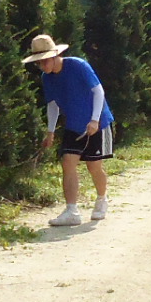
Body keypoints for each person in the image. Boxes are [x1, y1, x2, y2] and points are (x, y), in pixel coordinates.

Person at [22, 33, 115, 226]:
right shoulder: (47, 78)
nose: (43, 66)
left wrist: (95, 120)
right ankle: (72, 210)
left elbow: (98, 91)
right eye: (39, 63)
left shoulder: (78, 66)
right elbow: (53, 105)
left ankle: (101, 199)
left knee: (94, 166)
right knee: (67, 162)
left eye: (45, 61)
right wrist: (50, 131)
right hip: (74, 125)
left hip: (99, 123)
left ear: (55, 55)